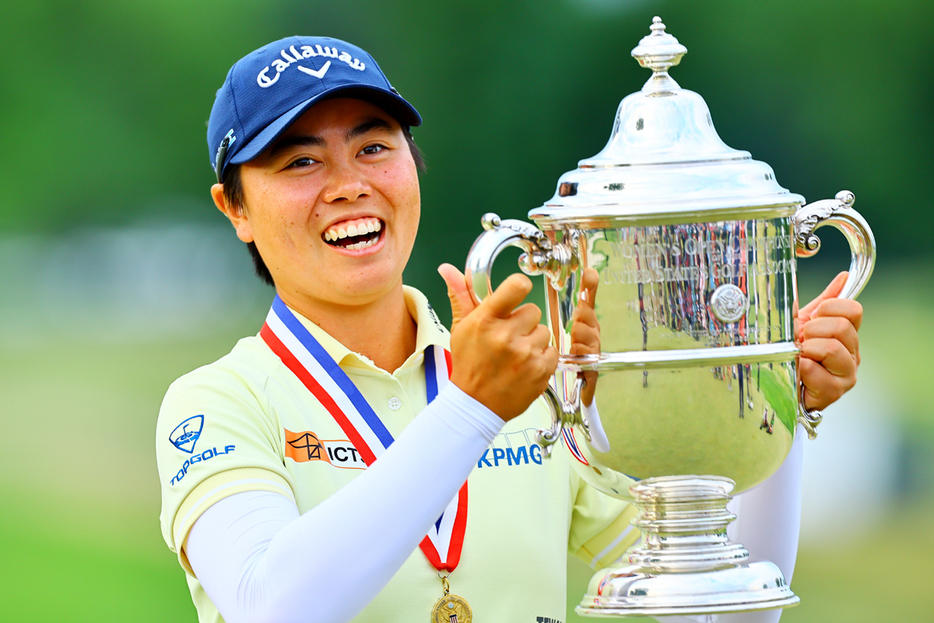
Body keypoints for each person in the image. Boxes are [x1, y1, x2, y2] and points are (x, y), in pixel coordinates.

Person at [155, 36, 863, 623]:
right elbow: (273, 606)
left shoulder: (535, 381)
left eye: (374, 148)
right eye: (301, 160)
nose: (347, 183)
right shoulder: (217, 402)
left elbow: (729, 612)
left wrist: (773, 401)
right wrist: (470, 409)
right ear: (235, 207)